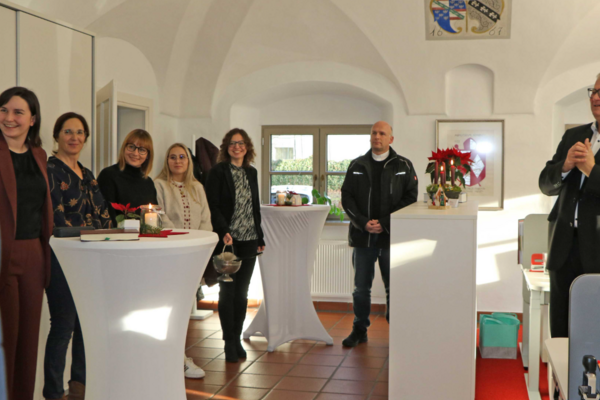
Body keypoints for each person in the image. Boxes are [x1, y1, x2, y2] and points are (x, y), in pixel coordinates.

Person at [44, 112, 112, 400]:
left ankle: (80, 388)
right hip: (63, 258)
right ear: (57, 136)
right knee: (63, 326)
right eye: (68, 131)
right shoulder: (49, 170)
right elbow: (56, 217)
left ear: (86, 138)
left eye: (80, 132)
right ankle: (53, 392)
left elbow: (103, 214)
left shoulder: (88, 174)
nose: (74, 137)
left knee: (86, 325)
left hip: (92, 258)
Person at [340, 121, 418, 347]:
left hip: (391, 237)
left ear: (391, 139)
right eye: (374, 133)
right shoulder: (356, 165)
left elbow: (410, 198)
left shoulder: (403, 165)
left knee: (394, 288)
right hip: (362, 237)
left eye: (382, 133)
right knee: (360, 289)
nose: (377, 136)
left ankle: (397, 332)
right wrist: (362, 222)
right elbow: (346, 197)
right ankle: (359, 330)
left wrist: (384, 223)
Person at [0, 86, 52, 400]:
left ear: (32, 119)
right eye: (3, 110)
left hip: (34, 253)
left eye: (18, 112)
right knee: (6, 340)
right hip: (3, 252)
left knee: (29, 340)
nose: (9, 117)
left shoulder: (39, 155)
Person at [539, 74, 600, 338]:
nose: (595, 97)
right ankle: (560, 368)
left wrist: (591, 171)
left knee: (593, 331)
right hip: (563, 246)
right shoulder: (574, 135)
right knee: (561, 330)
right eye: (594, 91)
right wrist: (564, 167)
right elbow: (545, 184)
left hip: (597, 249)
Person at [205, 128, 265, 363]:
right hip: (228, 241)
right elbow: (213, 205)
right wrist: (223, 231)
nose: (236, 147)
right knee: (227, 292)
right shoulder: (218, 172)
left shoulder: (252, 172)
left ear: (247, 146)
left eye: (240, 143)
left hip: (249, 240)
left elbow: (254, 208)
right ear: (226, 147)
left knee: (242, 293)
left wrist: (260, 237)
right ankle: (228, 341)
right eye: (232, 143)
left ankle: (237, 338)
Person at [155, 143, 211, 378]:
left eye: (182, 157)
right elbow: (160, 217)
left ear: (189, 161)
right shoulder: (159, 185)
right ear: (166, 161)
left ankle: (179, 356)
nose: (177, 161)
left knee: (185, 311)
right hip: (170, 255)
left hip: (193, 257)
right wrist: (181, 241)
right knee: (169, 310)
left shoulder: (198, 188)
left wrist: (201, 249)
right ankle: (171, 358)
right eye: (173, 157)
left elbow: (205, 220)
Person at [97, 129, 158, 223]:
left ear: (148, 156)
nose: (135, 153)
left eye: (142, 150)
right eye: (131, 147)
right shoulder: (108, 175)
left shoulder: (148, 183)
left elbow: (153, 217)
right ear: (124, 148)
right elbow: (105, 215)